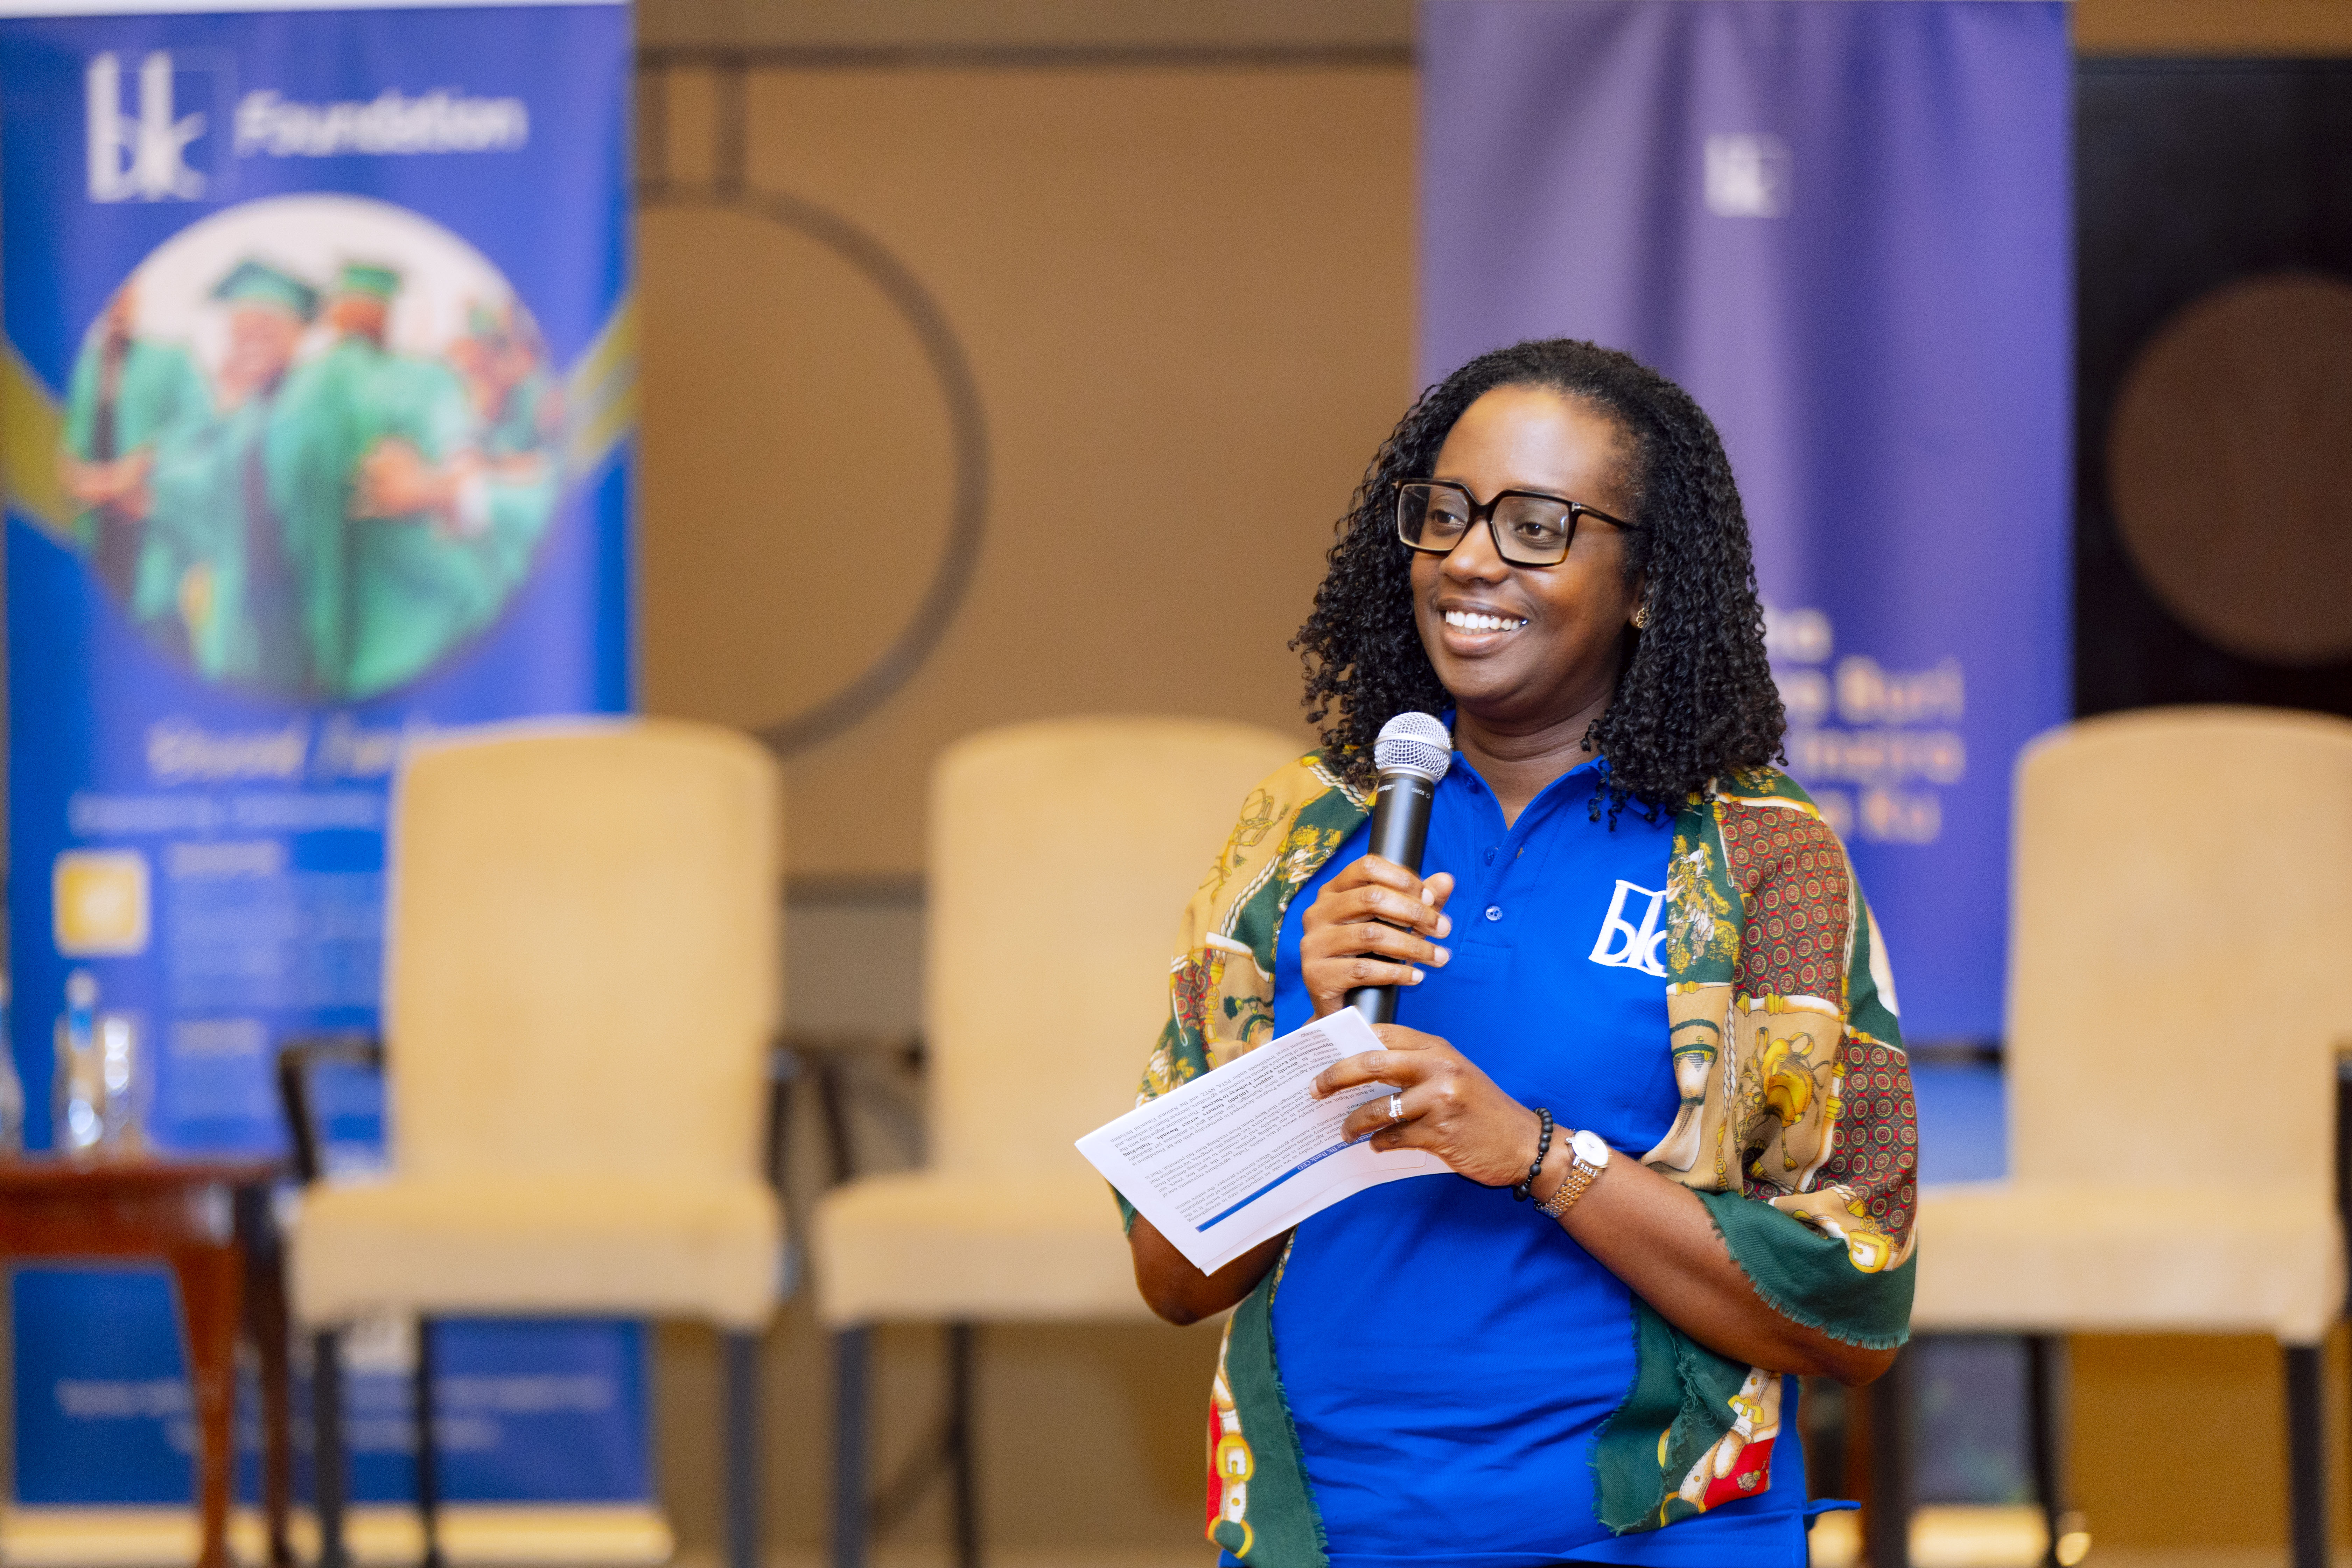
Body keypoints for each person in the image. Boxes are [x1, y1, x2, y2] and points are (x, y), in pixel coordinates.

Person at [1124, 339, 1916, 1568]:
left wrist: (1541, 1156)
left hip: (1650, 1533)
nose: (1468, 558)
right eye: (1444, 515)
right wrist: (1306, 1037)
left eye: (1536, 526)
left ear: (1644, 583)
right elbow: (1172, 1280)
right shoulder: (1299, 831)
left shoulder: (1759, 851)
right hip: (1329, 1530)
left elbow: (1846, 1304)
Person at [275, 260, 495, 699]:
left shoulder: (424, 379)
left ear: (387, 314)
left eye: (369, 307)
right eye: (348, 306)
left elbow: (462, 461)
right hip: (321, 593)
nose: (355, 318)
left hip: (403, 595)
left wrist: (428, 486)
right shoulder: (308, 382)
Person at [142, 259, 319, 688]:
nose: (250, 340)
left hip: (309, 610)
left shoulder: (316, 402)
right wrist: (225, 411)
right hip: (235, 613)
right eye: (241, 330)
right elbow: (175, 490)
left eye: (266, 327)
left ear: (298, 333)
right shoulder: (221, 412)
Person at [56, 281, 210, 643]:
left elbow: (200, 424)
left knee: (155, 624)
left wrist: (141, 464)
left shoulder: (171, 360)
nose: (117, 306)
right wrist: (81, 478)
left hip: (146, 525)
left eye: (124, 295)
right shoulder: (75, 367)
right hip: (89, 524)